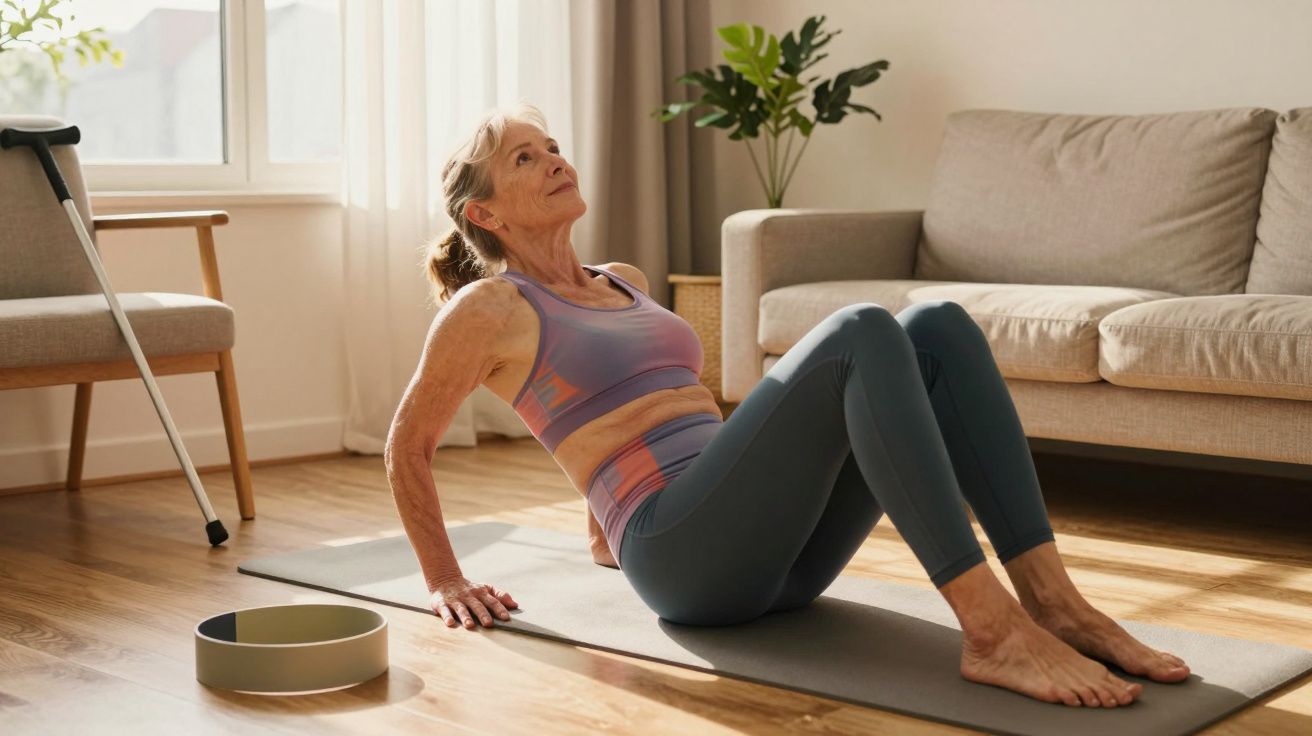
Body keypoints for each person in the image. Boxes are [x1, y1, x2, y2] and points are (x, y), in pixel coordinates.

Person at [384, 103, 1191, 709]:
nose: (555, 160)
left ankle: (1052, 601)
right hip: (687, 563)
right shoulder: (489, 309)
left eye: (553, 146)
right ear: (484, 214)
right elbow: (406, 443)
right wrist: (444, 578)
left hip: (777, 552)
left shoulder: (621, 277)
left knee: (939, 328)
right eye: (526, 158)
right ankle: (991, 628)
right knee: (860, 331)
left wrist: (597, 526)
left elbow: (630, 408)